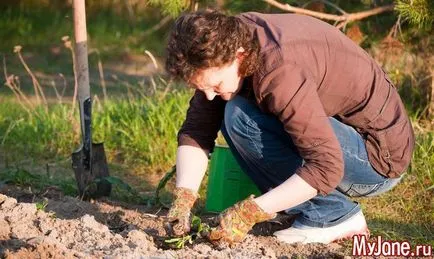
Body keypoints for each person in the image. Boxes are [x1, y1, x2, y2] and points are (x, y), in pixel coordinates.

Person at [163, 10, 415, 246]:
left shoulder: (280, 70)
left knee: (240, 117)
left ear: (238, 55)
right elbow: (197, 130)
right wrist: (184, 196)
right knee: (231, 111)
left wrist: (250, 212)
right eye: (201, 88)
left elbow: (326, 165)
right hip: (336, 136)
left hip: (376, 159)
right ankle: (307, 207)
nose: (209, 96)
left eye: (214, 85)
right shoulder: (226, 42)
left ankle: (334, 216)